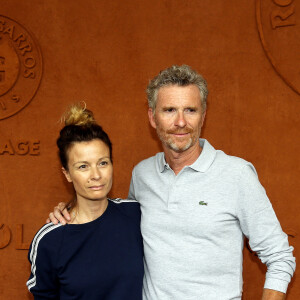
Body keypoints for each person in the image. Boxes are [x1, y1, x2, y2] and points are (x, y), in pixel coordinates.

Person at [49, 65, 295, 300]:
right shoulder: (142, 174)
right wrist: (72, 208)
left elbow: (281, 257)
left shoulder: (237, 174)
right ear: (152, 117)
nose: (180, 122)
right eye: (169, 110)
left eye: (190, 110)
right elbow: (118, 222)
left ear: (203, 116)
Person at [27, 104, 144, 299]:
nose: (96, 175)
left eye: (103, 163)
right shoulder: (50, 240)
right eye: (83, 166)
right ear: (67, 174)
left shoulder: (136, 215)